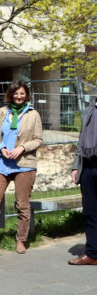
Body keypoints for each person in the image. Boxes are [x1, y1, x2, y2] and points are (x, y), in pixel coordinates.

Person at [0, 81, 43, 254]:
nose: (19, 96)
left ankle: (21, 240)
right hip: (1, 164)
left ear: (27, 95)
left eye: (22, 94)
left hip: (24, 165)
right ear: (10, 94)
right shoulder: (1, 112)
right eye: (16, 93)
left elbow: (39, 139)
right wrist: (0, 148)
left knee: (22, 204)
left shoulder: (33, 115)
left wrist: (22, 148)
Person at [68, 95, 97, 265]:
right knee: (90, 213)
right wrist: (76, 166)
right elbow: (82, 139)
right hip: (88, 166)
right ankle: (92, 254)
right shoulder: (90, 108)